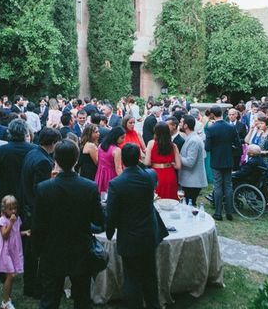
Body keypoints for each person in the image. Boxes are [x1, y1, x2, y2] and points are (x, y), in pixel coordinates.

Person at [33, 140, 105, 309]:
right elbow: (99, 220)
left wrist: (37, 250)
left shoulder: (44, 188)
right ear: (76, 159)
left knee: (50, 299)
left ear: (55, 160)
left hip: (53, 249)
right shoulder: (89, 187)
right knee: (82, 299)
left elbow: (38, 224)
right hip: (79, 249)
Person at [106, 143, 168, 309]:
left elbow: (111, 213)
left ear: (123, 161)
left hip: (130, 235)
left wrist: (109, 231)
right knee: (149, 273)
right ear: (139, 158)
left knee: (132, 276)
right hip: (149, 232)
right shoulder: (150, 176)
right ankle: (153, 304)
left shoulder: (116, 184)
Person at [18, 127, 60, 299]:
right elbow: (41, 191)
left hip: (26, 204)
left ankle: (31, 282)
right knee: (34, 251)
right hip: (34, 210)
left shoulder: (32, 153)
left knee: (31, 249)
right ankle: (33, 285)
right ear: (53, 143)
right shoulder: (43, 161)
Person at [0, 119, 39, 215]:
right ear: (25, 132)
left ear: (9, 132)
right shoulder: (34, 149)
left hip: (6, 191)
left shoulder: (1, 150)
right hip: (27, 192)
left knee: (6, 225)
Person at [205, 105, 241, 221]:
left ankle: (218, 212)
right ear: (221, 113)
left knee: (218, 186)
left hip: (216, 160)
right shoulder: (230, 127)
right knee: (228, 185)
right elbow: (237, 144)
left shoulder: (211, 128)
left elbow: (207, 147)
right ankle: (229, 211)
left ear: (212, 114)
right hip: (228, 159)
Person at [0, 195, 30, 309]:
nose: (13, 211)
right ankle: (5, 302)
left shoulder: (17, 219)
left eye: (15, 208)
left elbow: (15, 233)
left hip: (14, 250)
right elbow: (5, 235)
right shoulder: (3, 221)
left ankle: (7, 299)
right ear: (4, 209)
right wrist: (10, 223)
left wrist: (24, 232)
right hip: (5, 252)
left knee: (12, 276)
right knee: (10, 275)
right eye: (10, 209)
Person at [144, 122, 181, 199]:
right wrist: (171, 164)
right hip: (170, 174)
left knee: (157, 199)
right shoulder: (173, 146)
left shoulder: (151, 143)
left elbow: (147, 162)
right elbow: (178, 166)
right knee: (170, 199)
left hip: (156, 174)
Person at [178, 115, 207, 206]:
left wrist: (177, 156)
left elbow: (190, 162)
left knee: (189, 207)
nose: (180, 124)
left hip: (192, 182)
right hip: (190, 181)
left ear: (186, 125)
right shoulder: (191, 138)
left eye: (181, 122)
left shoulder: (194, 140)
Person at [95, 126, 126, 194]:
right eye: (122, 138)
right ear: (116, 137)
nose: (123, 140)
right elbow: (118, 169)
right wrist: (124, 181)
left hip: (100, 174)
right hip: (111, 175)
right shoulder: (116, 150)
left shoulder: (101, 145)